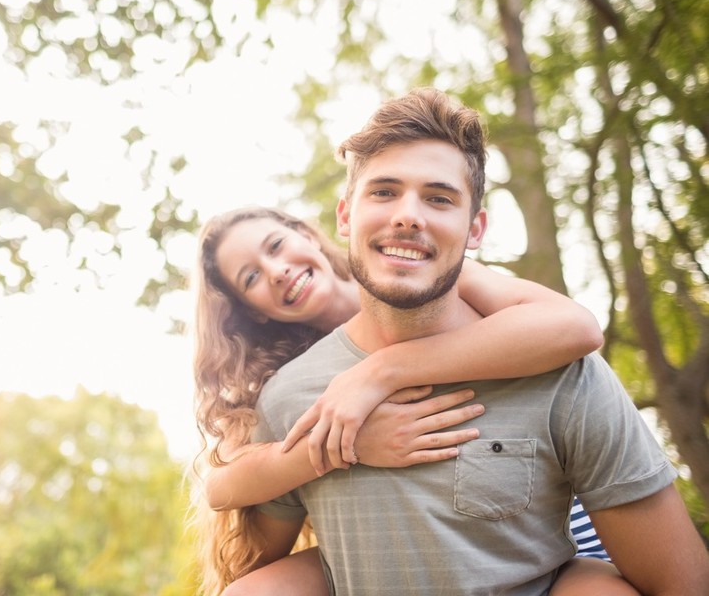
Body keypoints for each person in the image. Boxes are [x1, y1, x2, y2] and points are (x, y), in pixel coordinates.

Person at [237, 87, 709, 594]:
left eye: (439, 198)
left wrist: (385, 370)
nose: (408, 215)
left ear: (475, 229)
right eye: (383, 191)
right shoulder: (291, 396)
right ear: (346, 216)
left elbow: (680, 583)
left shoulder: (561, 371)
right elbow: (253, 563)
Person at [192, 207, 627, 596]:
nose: (277, 270)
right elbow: (221, 485)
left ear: (306, 235)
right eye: (251, 277)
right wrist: (353, 444)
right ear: (254, 311)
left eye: (277, 246)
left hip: (550, 528)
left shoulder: (417, 277)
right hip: (416, 545)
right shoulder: (288, 381)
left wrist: (382, 370)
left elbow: (575, 328)